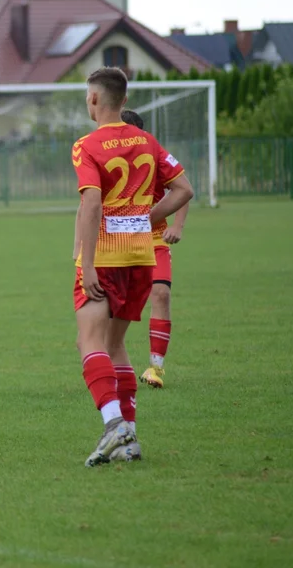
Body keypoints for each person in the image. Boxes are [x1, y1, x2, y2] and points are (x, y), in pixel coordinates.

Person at [71, 68, 193, 466]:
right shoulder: (148, 141)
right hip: (142, 256)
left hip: (105, 257)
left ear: (93, 99)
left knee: (89, 342)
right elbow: (185, 190)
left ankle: (113, 425)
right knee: (115, 344)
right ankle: (131, 439)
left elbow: (90, 204)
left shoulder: (86, 145)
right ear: (124, 101)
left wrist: (86, 264)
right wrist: (147, 220)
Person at [120, 109, 190, 389]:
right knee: (113, 306)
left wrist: (177, 227)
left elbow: (182, 188)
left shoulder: (154, 152)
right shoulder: (104, 153)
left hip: (155, 237)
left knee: (160, 294)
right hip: (117, 240)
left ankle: (155, 368)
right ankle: (110, 364)